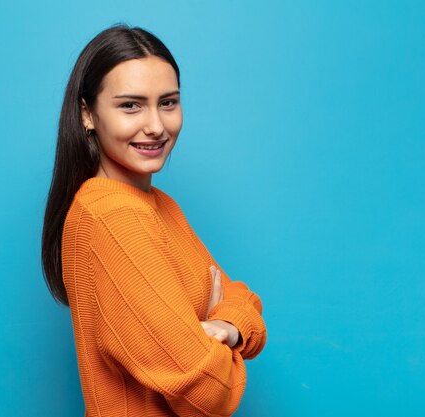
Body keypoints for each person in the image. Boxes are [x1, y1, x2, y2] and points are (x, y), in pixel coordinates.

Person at [41, 24, 266, 416]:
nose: (157, 126)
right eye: (131, 105)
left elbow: (245, 301)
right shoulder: (112, 217)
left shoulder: (159, 205)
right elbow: (208, 392)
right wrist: (218, 327)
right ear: (87, 114)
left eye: (168, 102)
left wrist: (225, 327)